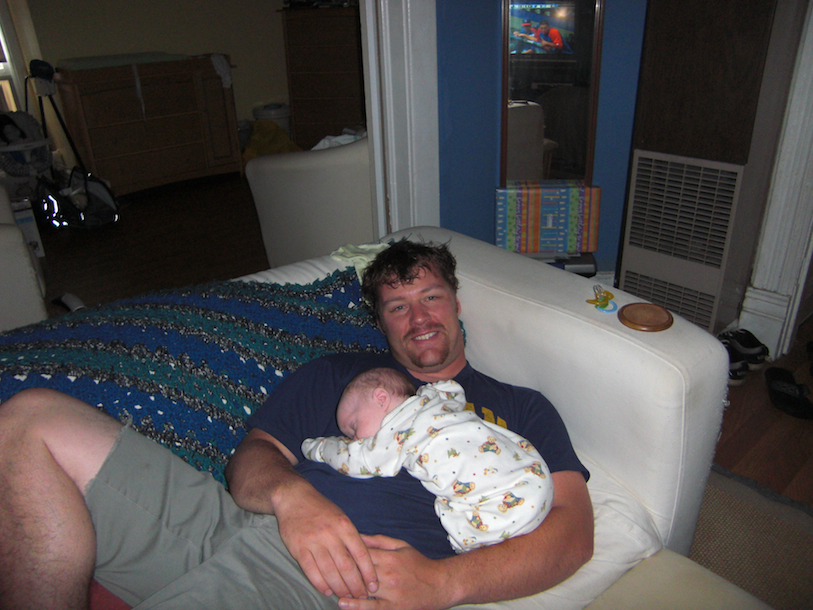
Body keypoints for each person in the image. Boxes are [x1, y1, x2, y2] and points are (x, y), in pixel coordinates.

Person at [0, 239, 593, 610]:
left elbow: (573, 534)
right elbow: (250, 459)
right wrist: (292, 497)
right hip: (231, 523)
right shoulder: (339, 374)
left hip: (336, 575)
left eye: (431, 297)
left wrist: (444, 585)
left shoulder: (519, 408)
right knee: (29, 420)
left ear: (457, 305)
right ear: (380, 323)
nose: (418, 317)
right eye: (397, 306)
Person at [302, 368, 554, 553]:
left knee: (461, 531)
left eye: (354, 426)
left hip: (501, 507)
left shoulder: (396, 434)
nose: (355, 439)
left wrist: (320, 448)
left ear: (381, 399)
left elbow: (356, 460)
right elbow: (453, 390)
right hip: (533, 478)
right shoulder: (435, 400)